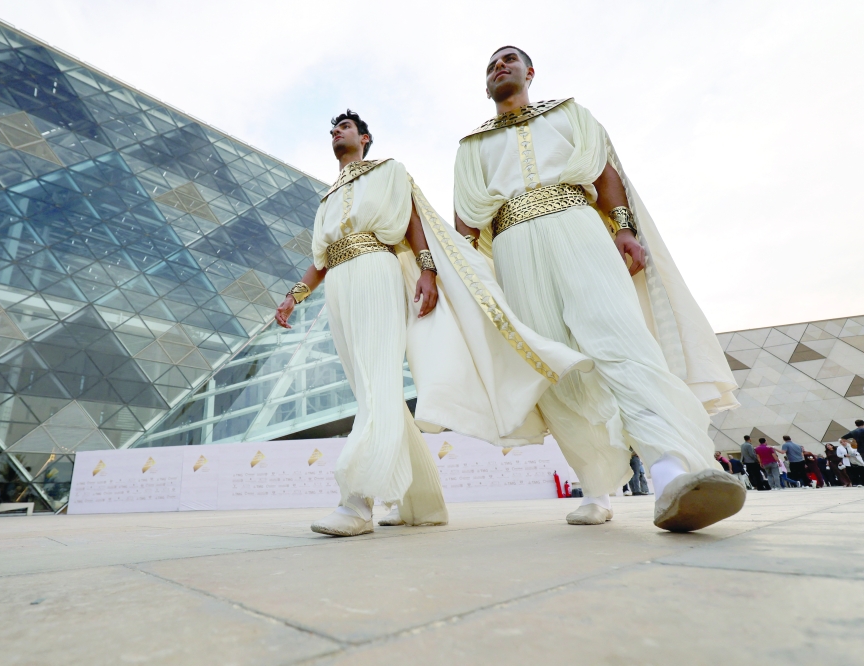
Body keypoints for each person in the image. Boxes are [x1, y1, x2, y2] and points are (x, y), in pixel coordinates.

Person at [452, 45, 745, 532]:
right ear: (486, 84)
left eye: (508, 59)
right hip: (511, 246)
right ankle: (596, 487)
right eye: (490, 65)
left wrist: (624, 229)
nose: (499, 67)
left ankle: (672, 468)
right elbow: (466, 215)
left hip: (578, 225)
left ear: (530, 71)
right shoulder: (470, 146)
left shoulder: (570, 115)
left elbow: (603, 172)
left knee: (621, 339)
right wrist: (465, 272)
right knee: (556, 367)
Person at [276, 110, 592, 536]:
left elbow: (411, 223)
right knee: (367, 389)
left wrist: (428, 271)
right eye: (332, 129)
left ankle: (356, 501)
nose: (336, 133)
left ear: (365, 137)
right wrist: (294, 298)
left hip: (376, 271)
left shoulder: (389, 172)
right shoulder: (327, 198)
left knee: (378, 385)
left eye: (345, 127)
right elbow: (320, 261)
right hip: (338, 287)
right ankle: (421, 503)